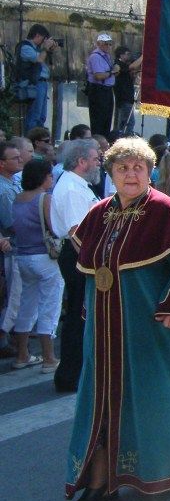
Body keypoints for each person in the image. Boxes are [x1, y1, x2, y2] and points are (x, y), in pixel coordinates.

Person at [65, 137, 170, 501]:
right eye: (122, 168)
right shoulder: (98, 213)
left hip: (151, 328)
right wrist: (90, 308)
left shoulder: (166, 211)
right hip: (105, 330)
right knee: (102, 402)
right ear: (111, 173)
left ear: (150, 172)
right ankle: (100, 480)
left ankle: (163, 470)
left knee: (153, 401)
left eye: (138, 167)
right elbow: (89, 267)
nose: (130, 174)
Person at [51, 140, 102, 392]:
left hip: (81, 255)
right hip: (78, 257)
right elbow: (76, 232)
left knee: (81, 313)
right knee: (78, 314)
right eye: (95, 159)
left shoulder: (77, 184)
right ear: (81, 162)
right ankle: (70, 375)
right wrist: (93, 264)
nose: (99, 163)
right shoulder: (71, 188)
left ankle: (77, 371)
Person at [9, 159, 64, 372]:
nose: (52, 178)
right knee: (50, 305)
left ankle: (22, 354)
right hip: (45, 256)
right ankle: (49, 357)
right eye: (50, 175)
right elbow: (55, 228)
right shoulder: (44, 198)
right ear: (43, 177)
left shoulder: (18, 198)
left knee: (27, 305)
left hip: (23, 256)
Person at [0, 141, 23, 354]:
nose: (20, 160)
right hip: (8, 247)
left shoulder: (13, 182)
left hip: (13, 245)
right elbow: (11, 221)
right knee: (9, 295)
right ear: (2, 163)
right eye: (15, 158)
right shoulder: (3, 190)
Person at [17, 24, 59, 132]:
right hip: (34, 84)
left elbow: (47, 64)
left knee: (41, 117)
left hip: (42, 83)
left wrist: (50, 51)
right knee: (34, 116)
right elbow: (39, 59)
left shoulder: (37, 48)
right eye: (44, 39)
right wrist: (45, 48)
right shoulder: (25, 47)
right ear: (37, 35)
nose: (44, 42)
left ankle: (38, 138)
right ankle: (30, 139)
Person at [85, 32, 119, 136]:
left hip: (107, 90)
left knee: (107, 119)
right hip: (98, 90)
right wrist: (112, 72)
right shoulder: (95, 56)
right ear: (99, 44)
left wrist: (114, 71)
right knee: (99, 119)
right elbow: (98, 76)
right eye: (105, 44)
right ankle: (98, 139)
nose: (108, 46)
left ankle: (104, 138)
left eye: (109, 44)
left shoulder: (107, 56)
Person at [113, 46, 142, 135]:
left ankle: (122, 136)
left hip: (127, 97)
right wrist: (143, 56)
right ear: (121, 55)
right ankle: (125, 138)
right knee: (129, 122)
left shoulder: (123, 65)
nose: (129, 56)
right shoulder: (118, 64)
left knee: (124, 121)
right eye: (127, 54)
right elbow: (132, 66)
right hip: (124, 97)